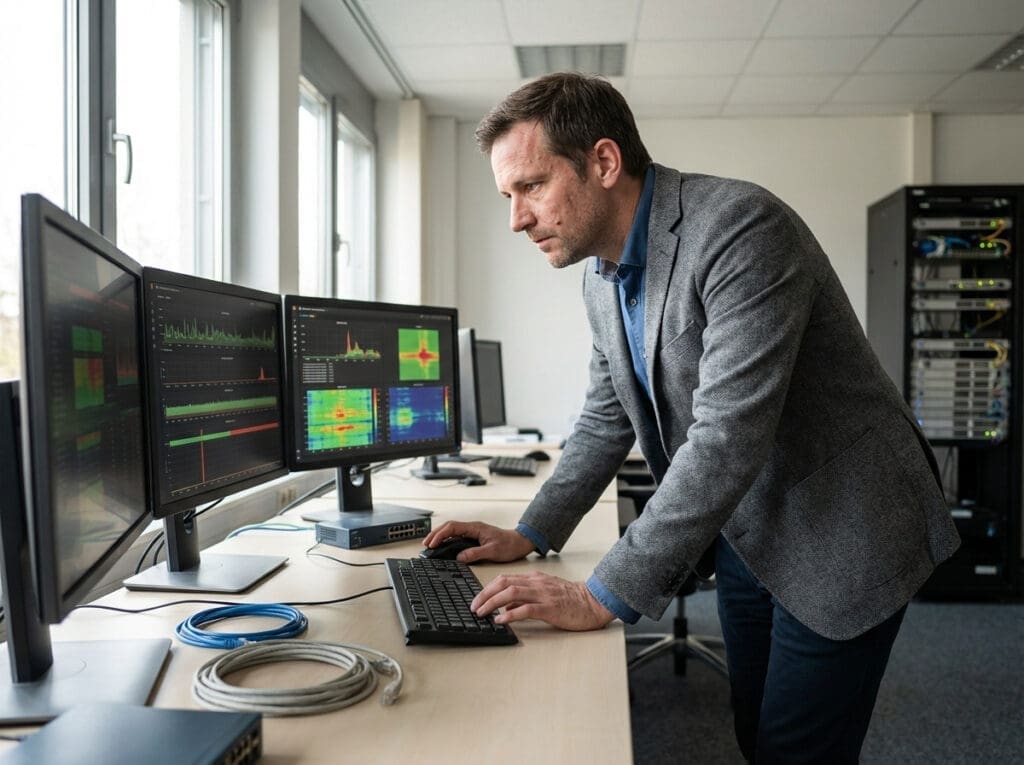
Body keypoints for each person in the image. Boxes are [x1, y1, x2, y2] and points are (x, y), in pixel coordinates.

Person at [423, 72, 959, 763]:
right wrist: (530, 531)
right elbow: (605, 419)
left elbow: (725, 437)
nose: (516, 219)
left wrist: (600, 595)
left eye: (531, 186)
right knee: (752, 732)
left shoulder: (741, 228)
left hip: (841, 522)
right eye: (508, 197)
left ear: (604, 162)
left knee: (796, 751)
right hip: (748, 525)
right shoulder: (602, 277)